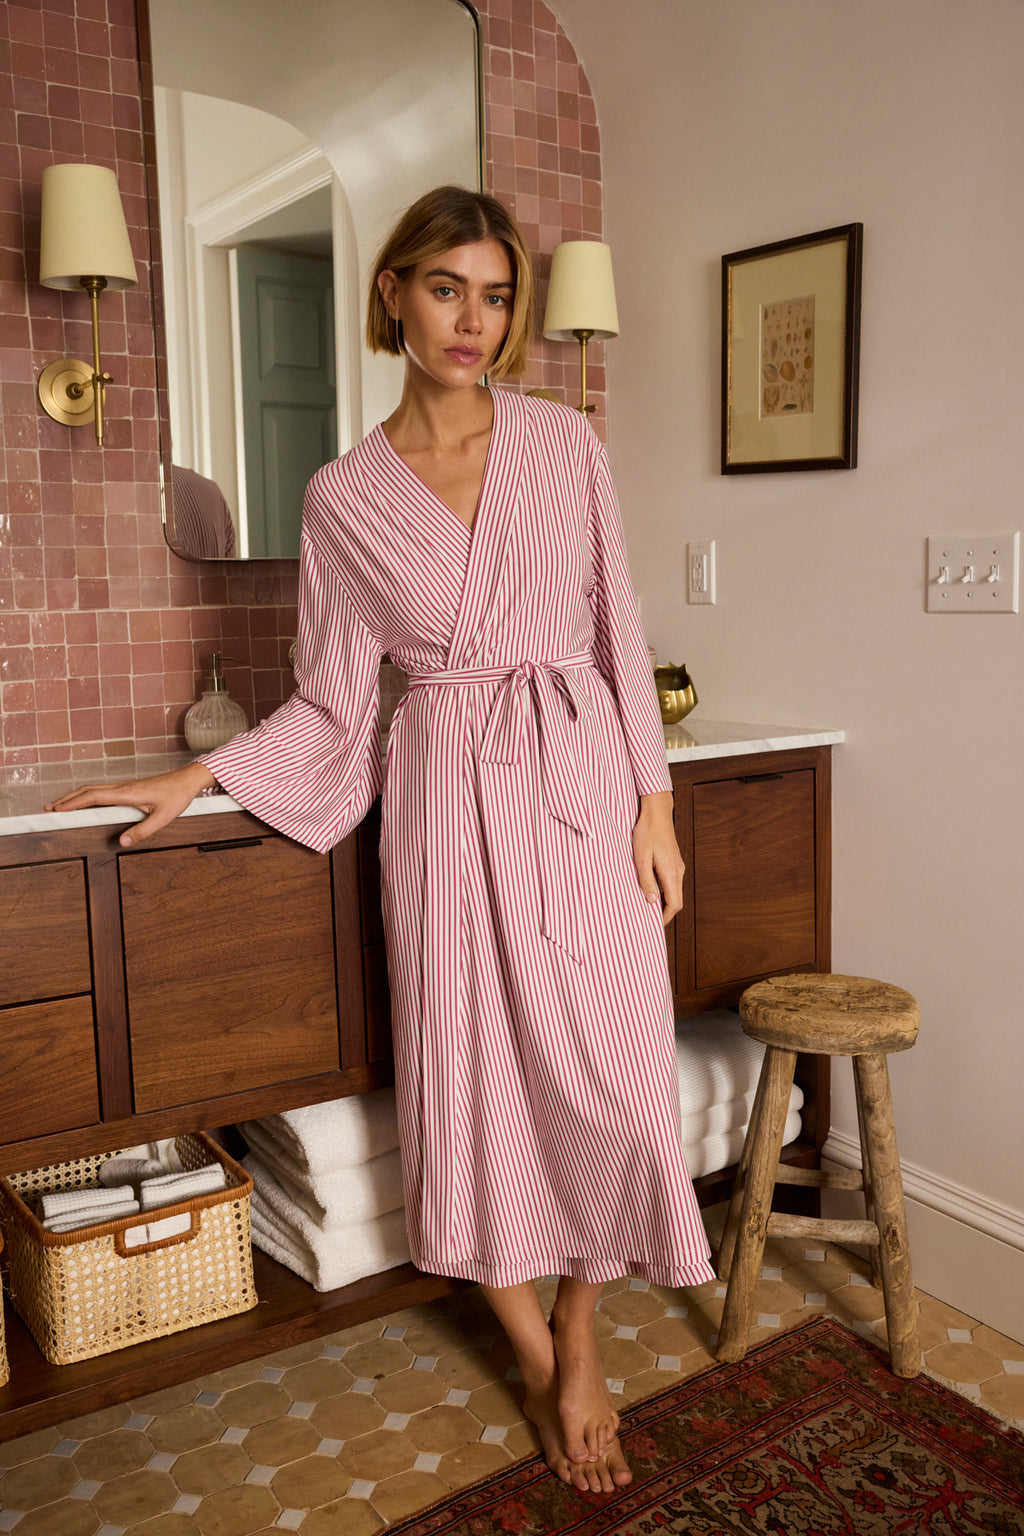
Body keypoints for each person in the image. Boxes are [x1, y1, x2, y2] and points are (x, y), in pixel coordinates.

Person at [47, 185, 715, 1495]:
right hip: (445, 796)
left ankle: (587, 1314)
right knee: (472, 1074)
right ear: (395, 295)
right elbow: (340, 702)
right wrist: (199, 773)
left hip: (579, 779)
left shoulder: (563, 443)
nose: (477, 319)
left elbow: (614, 625)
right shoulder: (343, 498)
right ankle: (540, 1350)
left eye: (499, 292)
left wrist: (656, 802)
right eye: (449, 287)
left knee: (616, 1067)